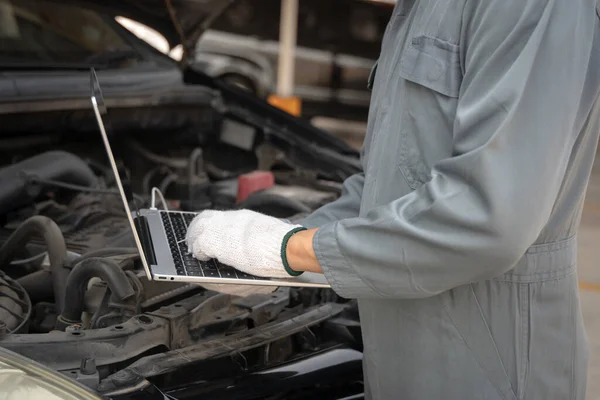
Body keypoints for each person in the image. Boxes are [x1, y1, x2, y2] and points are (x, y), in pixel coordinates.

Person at [186, 0, 600, 398]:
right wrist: (269, 248)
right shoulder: (415, 9)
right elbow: (385, 186)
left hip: (492, 359)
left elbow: (488, 218)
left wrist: (291, 251)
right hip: (399, 351)